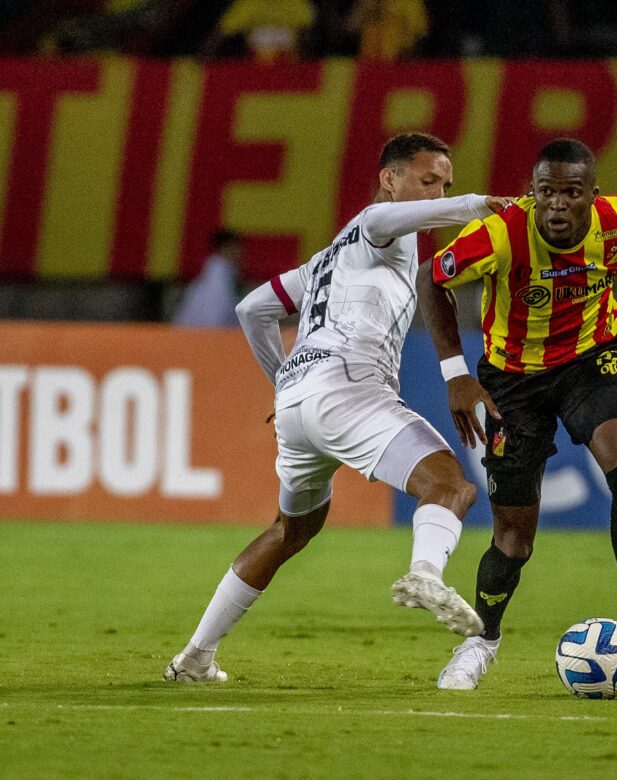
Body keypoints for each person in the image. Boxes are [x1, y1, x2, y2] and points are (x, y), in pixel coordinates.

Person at [165, 133, 511, 683]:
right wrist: (478, 205)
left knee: (289, 531)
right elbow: (378, 224)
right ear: (389, 181)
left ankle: (194, 659)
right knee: (450, 485)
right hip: (349, 389)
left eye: (445, 185)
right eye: (428, 182)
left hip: (300, 402)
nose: (438, 193)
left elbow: (252, 308)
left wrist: (282, 384)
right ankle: (424, 571)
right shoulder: (376, 225)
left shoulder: (326, 261)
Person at [416, 138, 617, 690]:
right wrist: (456, 373)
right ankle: (481, 642)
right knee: (513, 538)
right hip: (513, 382)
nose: (557, 204)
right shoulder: (501, 232)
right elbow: (433, 276)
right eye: (546, 191)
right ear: (532, 192)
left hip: (592, 361)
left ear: (591, 197)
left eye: (571, 193)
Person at [172, 228, 244, 328]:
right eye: (237, 248)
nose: (240, 253)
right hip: (202, 338)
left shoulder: (217, 275)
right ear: (225, 247)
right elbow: (215, 320)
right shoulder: (217, 279)